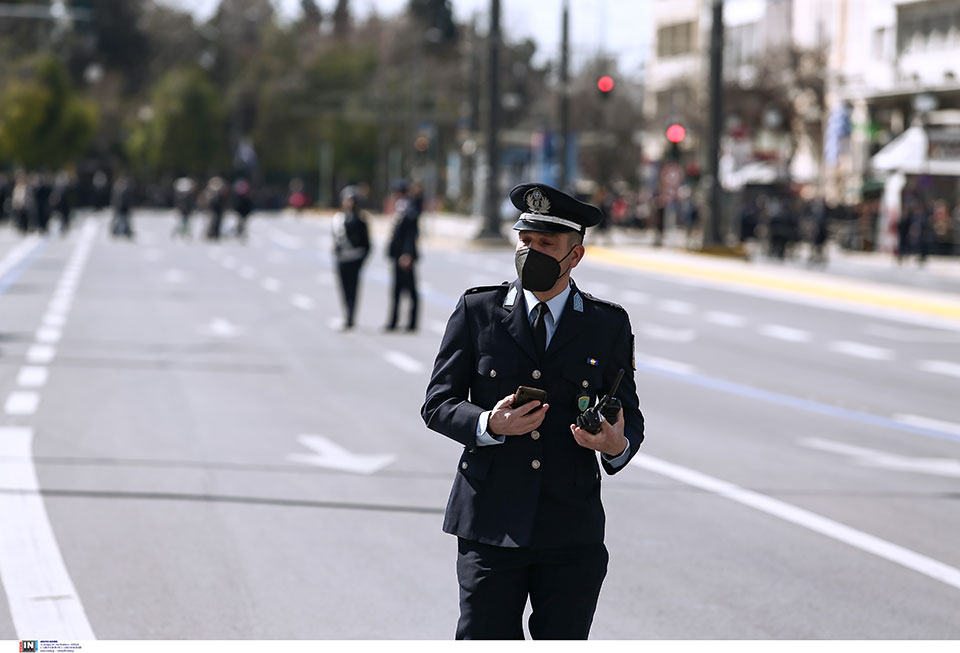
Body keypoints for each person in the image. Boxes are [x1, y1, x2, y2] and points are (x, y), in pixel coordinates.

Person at [421, 183, 645, 640]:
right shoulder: (477, 311)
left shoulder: (606, 324)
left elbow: (630, 418)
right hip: (490, 524)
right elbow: (437, 403)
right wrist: (487, 424)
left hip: (570, 529)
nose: (531, 252)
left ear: (575, 255)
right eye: (525, 241)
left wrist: (614, 443)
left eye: (546, 245)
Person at [332, 185, 371, 330]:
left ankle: (350, 317)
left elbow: (367, 244)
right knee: (344, 289)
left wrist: (362, 261)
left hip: (355, 259)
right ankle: (346, 314)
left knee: (353, 289)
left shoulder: (360, 221)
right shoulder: (338, 219)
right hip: (342, 259)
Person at [385, 181, 420, 332]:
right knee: (397, 290)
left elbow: (411, 235)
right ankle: (393, 321)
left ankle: (411, 322)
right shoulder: (402, 207)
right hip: (398, 255)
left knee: (410, 290)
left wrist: (407, 254)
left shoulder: (409, 209)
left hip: (405, 256)